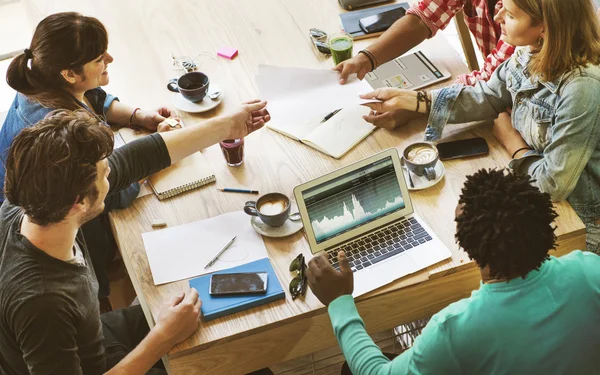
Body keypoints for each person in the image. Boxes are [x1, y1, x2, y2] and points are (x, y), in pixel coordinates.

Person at [0, 102, 270, 374]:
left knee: (223, 326)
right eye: (105, 175)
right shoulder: (45, 305)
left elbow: (132, 160)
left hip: (94, 340)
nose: (111, 175)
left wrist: (228, 125)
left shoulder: (28, 201)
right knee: (240, 360)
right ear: (78, 203)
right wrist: (163, 337)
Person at [360, 0, 600, 252]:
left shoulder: (582, 88)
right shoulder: (532, 49)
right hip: (540, 198)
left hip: (582, 224)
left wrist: (513, 144)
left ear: (544, 26)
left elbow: (552, 185)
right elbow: (486, 96)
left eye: (509, 15)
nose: (497, 19)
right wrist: (416, 101)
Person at [307, 169, 600, 374]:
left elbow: (374, 372)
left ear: (471, 246)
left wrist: (339, 301)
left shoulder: (455, 329)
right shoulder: (589, 269)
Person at [1, 12, 181, 302]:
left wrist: (139, 116)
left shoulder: (40, 79)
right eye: (99, 58)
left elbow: (91, 97)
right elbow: (108, 193)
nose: (109, 58)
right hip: (55, 228)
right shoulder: (59, 134)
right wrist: (153, 157)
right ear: (70, 72)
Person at [336, 0, 516, 128]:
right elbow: (423, 17)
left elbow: (489, 86)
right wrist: (366, 58)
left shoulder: (529, 9)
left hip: (516, 113)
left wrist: (414, 106)